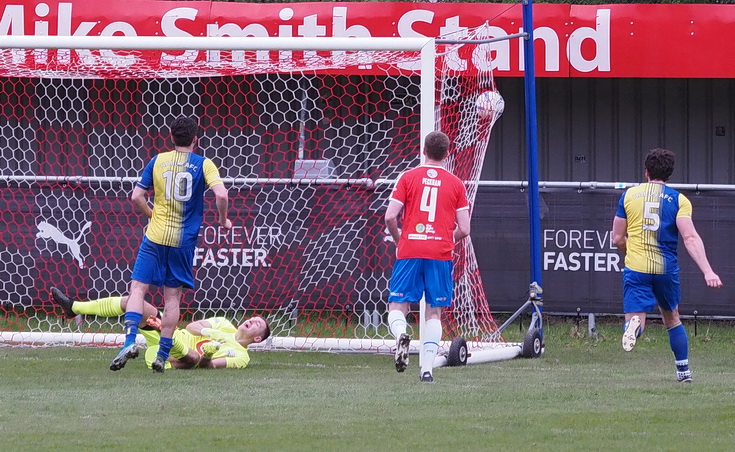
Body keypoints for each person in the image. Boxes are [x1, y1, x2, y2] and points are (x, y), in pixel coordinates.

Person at [111, 116, 233, 373]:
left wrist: (152, 215)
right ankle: (163, 354)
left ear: (171, 137)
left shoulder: (158, 160)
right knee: (172, 296)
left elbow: (136, 196)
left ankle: (130, 340)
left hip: (154, 237)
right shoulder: (204, 163)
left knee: (138, 289)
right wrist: (223, 220)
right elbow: (221, 194)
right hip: (183, 241)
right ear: (195, 139)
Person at [611, 147, 723, 383]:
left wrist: (630, 251)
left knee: (635, 318)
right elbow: (690, 237)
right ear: (670, 174)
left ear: (646, 172)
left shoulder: (629, 195)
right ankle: (683, 372)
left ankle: (634, 327)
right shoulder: (679, 200)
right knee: (672, 318)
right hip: (665, 269)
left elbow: (617, 238)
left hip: (637, 268)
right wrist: (708, 271)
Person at [384, 131, 471, 383]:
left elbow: (390, 217)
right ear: (446, 153)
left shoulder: (408, 177)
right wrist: (445, 239)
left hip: (410, 250)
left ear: (423, 150)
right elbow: (465, 229)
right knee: (434, 313)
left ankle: (401, 334)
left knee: (398, 306)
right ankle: (427, 371)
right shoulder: (456, 183)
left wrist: (402, 240)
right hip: (440, 254)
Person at [50, 287, 270, 370]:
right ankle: (74, 307)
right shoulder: (223, 323)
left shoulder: (242, 357)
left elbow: (209, 366)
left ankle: (158, 357)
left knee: (193, 358)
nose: (252, 320)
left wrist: (208, 355)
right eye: (253, 318)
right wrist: (210, 334)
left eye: (258, 324)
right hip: (170, 334)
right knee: (134, 302)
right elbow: (193, 327)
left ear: (258, 339)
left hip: (183, 358)